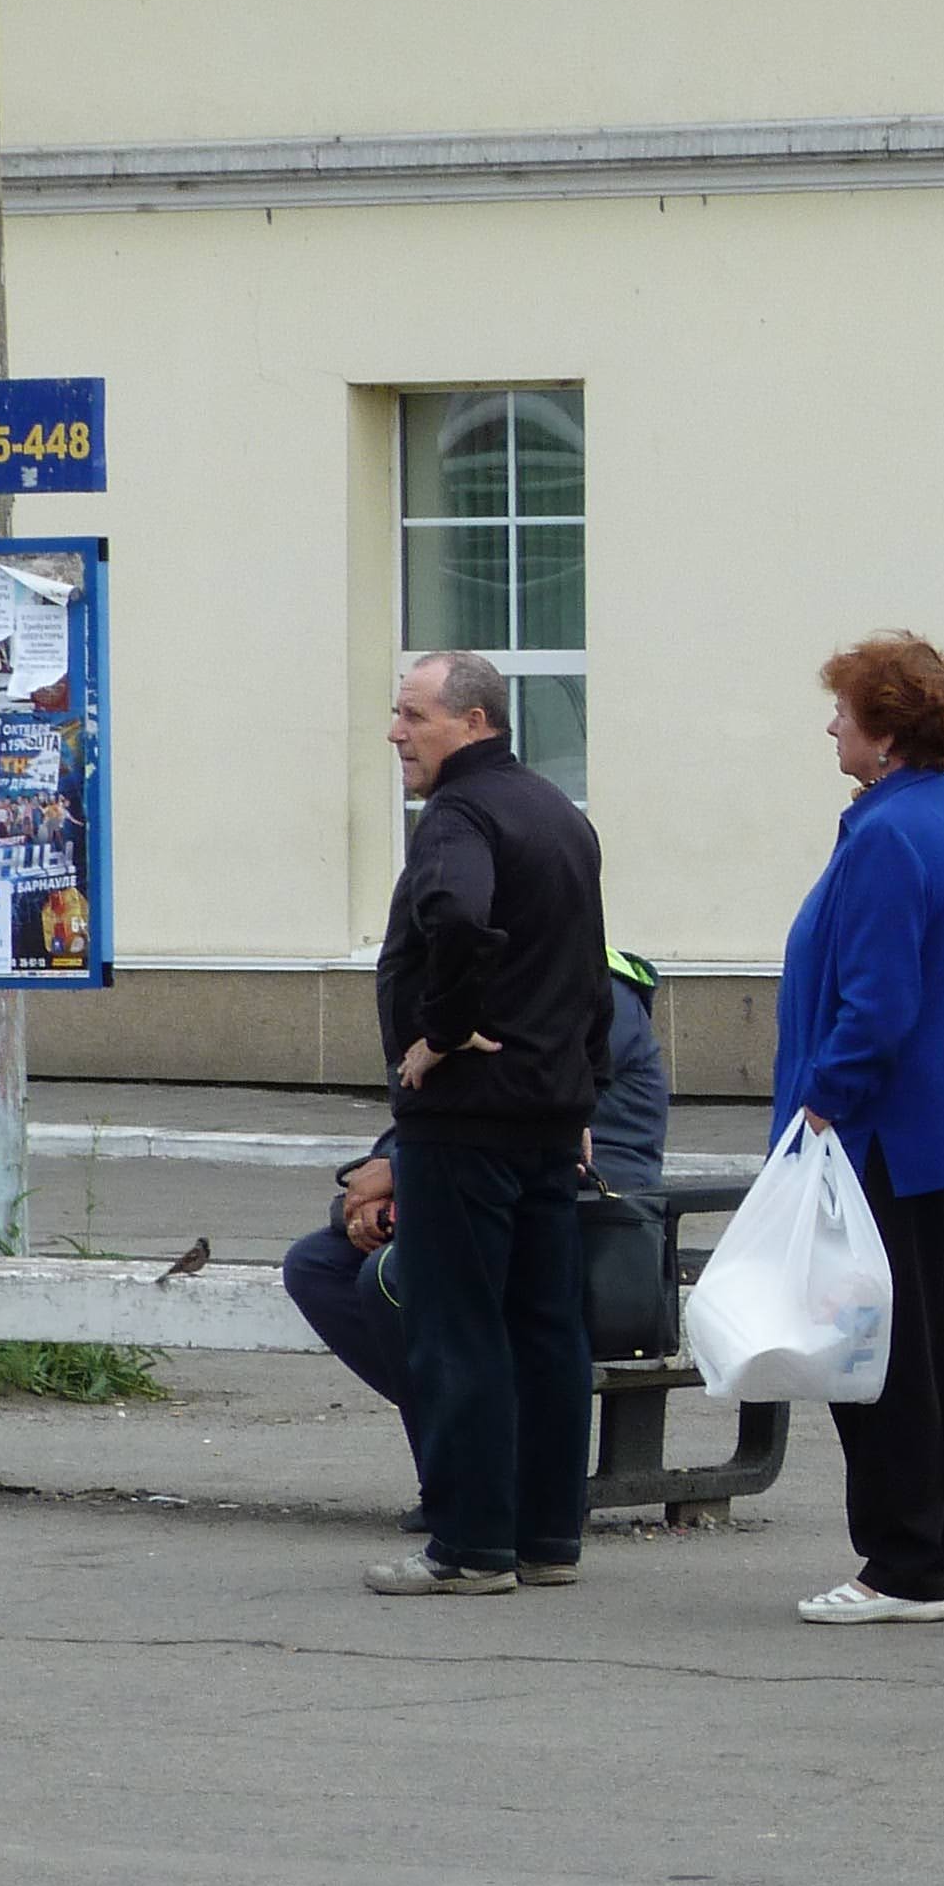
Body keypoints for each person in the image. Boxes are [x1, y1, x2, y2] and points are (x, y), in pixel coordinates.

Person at [780, 636, 944, 1624]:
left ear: (884, 733)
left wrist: (823, 1098)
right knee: (928, 1342)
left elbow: (877, 1001)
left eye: (843, 712)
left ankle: (903, 1566)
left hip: (884, 1127)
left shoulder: (887, 834)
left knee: (873, 1348)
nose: (830, 726)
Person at [365, 650, 613, 1596]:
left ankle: (469, 1546)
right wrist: (584, 1086)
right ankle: (547, 1537)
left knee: (459, 1328)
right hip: (549, 1108)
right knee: (548, 1330)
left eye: (413, 715)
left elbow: (458, 918)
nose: (396, 732)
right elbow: (590, 968)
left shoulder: (458, 814)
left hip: (467, 1115)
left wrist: (440, 1030)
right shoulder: (558, 812)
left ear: (474, 722)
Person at [285, 955, 674, 1497]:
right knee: (318, 1266)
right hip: (487, 1185)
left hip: (585, 1212)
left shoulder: (590, 994)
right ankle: (465, 1456)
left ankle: (480, 1476)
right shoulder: (500, 980)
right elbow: (441, 1099)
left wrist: (400, 1174)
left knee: (394, 1277)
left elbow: (520, 1107)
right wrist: (368, 1198)